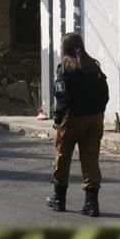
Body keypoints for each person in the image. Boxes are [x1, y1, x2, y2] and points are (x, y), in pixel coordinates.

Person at [46, 33, 110, 217]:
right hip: (95, 118)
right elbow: (105, 94)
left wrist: (58, 122)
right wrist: (97, 111)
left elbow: (62, 98)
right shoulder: (94, 66)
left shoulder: (65, 68)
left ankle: (59, 199)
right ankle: (91, 203)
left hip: (73, 118)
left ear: (64, 48)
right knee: (90, 158)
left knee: (62, 156)